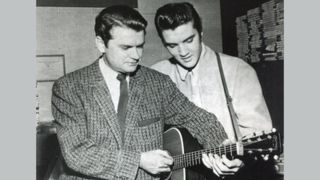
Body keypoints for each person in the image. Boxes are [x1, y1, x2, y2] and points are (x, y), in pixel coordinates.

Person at [51, 5, 240, 180]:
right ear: (101, 44)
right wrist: (138, 160)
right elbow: (77, 153)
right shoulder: (69, 87)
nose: (136, 55)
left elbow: (197, 117)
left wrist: (222, 146)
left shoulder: (157, 83)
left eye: (140, 46)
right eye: (126, 47)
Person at [151, 2, 273, 179]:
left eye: (189, 40)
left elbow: (259, 134)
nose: (183, 51)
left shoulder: (237, 70)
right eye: (172, 45)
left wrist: (241, 160)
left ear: (201, 33)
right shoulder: (157, 74)